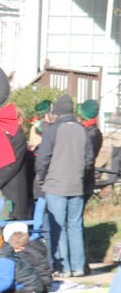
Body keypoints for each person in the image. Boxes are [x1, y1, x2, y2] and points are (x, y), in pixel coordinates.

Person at [35, 94, 94, 277]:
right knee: (75, 226)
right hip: (76, 186)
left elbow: (43, 158)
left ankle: (63, 267)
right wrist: (79, 175)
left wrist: (42, 178)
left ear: (57, 112)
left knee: (58, 227)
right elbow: (89, 158)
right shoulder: (81, 130)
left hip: (55, 185)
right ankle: (78, 266)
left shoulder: (52, 130)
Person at [0, 107, 33, 220]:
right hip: (5, 185)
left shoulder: (18, 136)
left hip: (13, 186)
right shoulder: (3, 134)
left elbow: (12, 165)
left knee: (14, 220)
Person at [78, 98, 103, 204]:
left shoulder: (91, 133)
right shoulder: (91, 131)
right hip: (85, 178)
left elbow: (86, 158)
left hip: (84, 180)